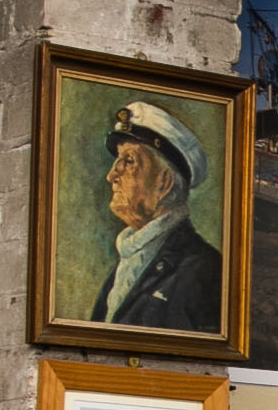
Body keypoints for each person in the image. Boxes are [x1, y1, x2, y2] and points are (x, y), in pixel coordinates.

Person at [89, 100, 224, 330]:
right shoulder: (128, 260)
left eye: (129, 161)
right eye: (117, 161)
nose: (111, 175)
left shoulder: (203, 269)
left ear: (163, 182)